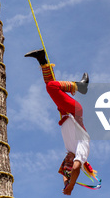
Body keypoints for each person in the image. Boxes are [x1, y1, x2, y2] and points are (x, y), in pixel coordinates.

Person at [25, 48, 98, 195]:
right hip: (75, 112)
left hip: (65, 114)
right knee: (52, 87)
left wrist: (66, 186)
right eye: (69, 162)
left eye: (65, 162)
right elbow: (75, 169)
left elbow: (65, 172)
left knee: (50, 85)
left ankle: (42, 59)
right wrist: (71, 186)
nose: (66, 160)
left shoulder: (69, 149)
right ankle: (79, 86)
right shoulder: (81, 152)